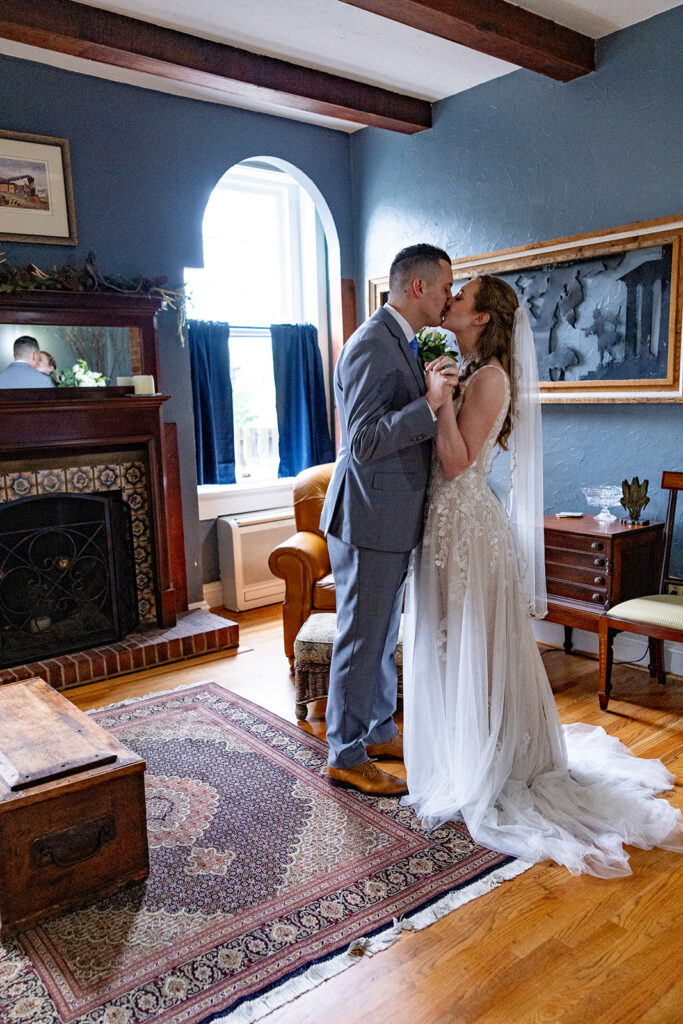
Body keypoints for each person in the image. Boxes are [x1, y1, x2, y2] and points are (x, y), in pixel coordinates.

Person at [402, 274, 683, 877]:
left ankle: (490, 766)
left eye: (460, 298)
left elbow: (455, 463)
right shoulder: (471, 370)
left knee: (472, 646)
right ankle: (463, 755)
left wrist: (438, 398)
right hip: (446, 528)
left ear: (480, 319)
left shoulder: (489, 378)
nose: (448, 302)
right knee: (452, 646)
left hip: (467, 530)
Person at [320, 243, 458, 796]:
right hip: (369, 519)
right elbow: (364, 441)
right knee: (362, 638)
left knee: (381, 637)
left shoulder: (399, 339)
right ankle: (346, 754)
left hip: (390, 517)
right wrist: (427, 405)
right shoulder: (373, 344)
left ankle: (377, 731)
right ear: (419, 287)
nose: (451, 296)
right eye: (446, 286)